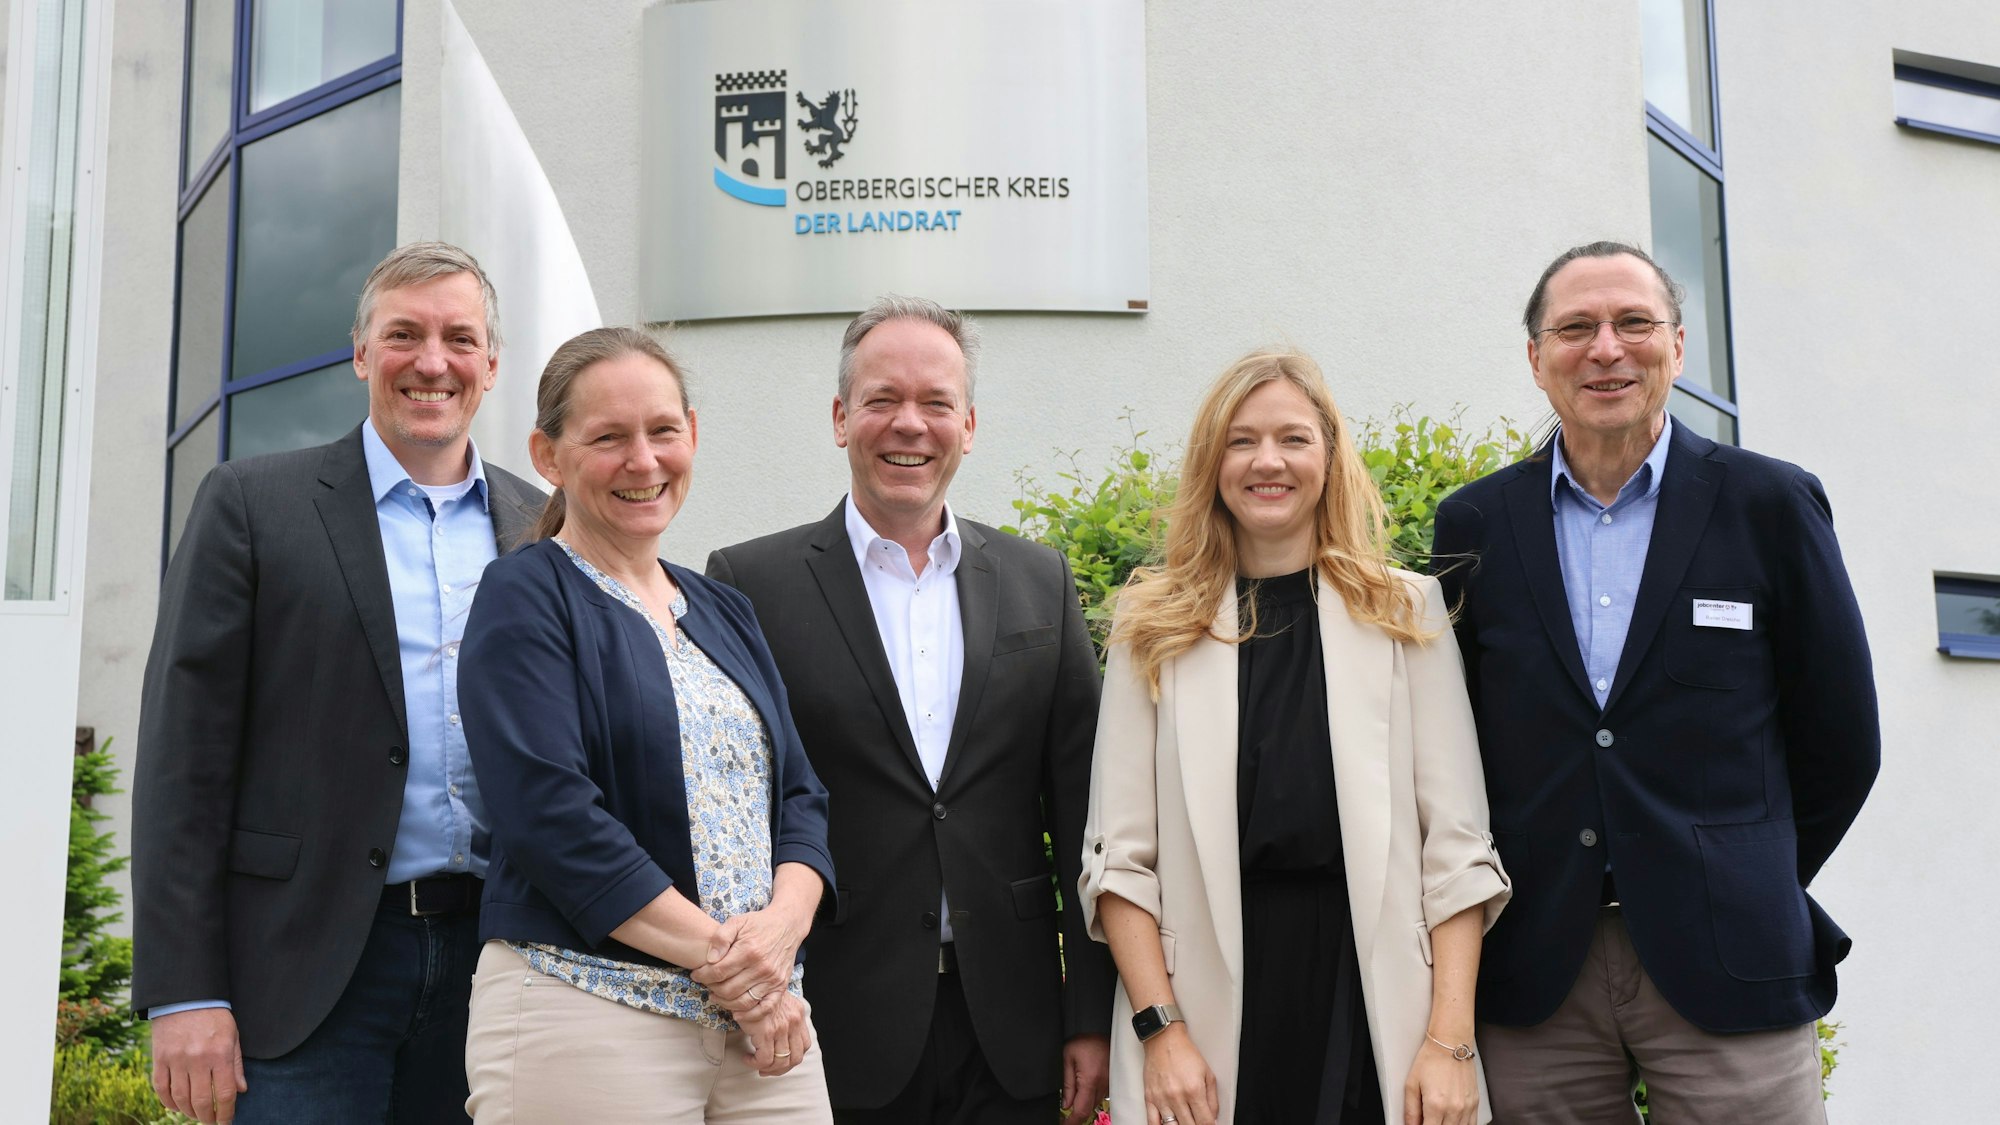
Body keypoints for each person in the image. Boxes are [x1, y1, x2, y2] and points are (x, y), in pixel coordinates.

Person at [1431, 241, 1880, 1123]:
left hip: (1731, 961)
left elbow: (1843, 741)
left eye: (1633, 323)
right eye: (1575, 328)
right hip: (1533, 969)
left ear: (1676, 346)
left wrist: (1735, 871)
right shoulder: (1475, 521)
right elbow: (1450, 746)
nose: (1606, 348)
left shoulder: (1771, 505)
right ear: (1535, 359)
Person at [132, 242, 544, 1124]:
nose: (433, 361)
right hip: (306, 971)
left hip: (499, 966)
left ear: (491, 366)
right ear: (361, 355)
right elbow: (183, 762)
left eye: (459, 338)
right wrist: (184, 991)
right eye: (404, 334)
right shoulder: (251, 505)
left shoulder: (540, 524)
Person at [705, 296, 1114, 1124]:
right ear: (840, 416)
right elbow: (737, 814)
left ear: (969, 423)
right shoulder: (750, 584)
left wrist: (1089, 1017)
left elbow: (1084, 815)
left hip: (1014, 1022)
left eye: (935, 403)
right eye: (883, 399)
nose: (909, 425)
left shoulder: (1042, 580)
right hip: (829, 1019)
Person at [1080, 349, 1512, 1125]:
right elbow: (1118, 864)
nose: (1266, 461)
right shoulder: (1153, 626)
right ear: (1212, 464)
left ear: (1330, 457)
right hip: (1204, 1011)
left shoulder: (1406, 613)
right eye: (1241, 441)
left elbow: (1458, 852)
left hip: (1378, 1001)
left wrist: (1450, 1042)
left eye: (1292, 438)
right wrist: (1161, 1031)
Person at [457, 326, 836, 1123]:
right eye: (608, 437)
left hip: (763, 1028)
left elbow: (801, 798)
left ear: (692, 435)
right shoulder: (524, 595)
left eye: (663, 430)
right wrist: (742, 971)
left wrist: (779, 938)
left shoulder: (723, 607)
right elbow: (550, 815)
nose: (644, 460)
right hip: (588, 1011)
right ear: (547, 455)